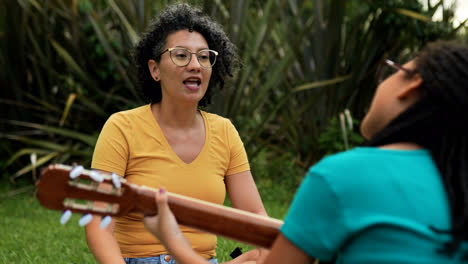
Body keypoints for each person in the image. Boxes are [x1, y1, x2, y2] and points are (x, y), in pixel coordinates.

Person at [142, 41, 468, 263]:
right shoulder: (458, 182)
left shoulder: (343, 177)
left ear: (413, 86)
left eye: (393, 71)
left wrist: (174, 241)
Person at [86, 3, 267, 264]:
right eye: (181, 55)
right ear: (155, 69)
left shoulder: (224, 131)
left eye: (204, 56)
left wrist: (273, 248)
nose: (195, 65)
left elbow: (255, 216)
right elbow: (98, 225)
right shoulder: (122, 127)